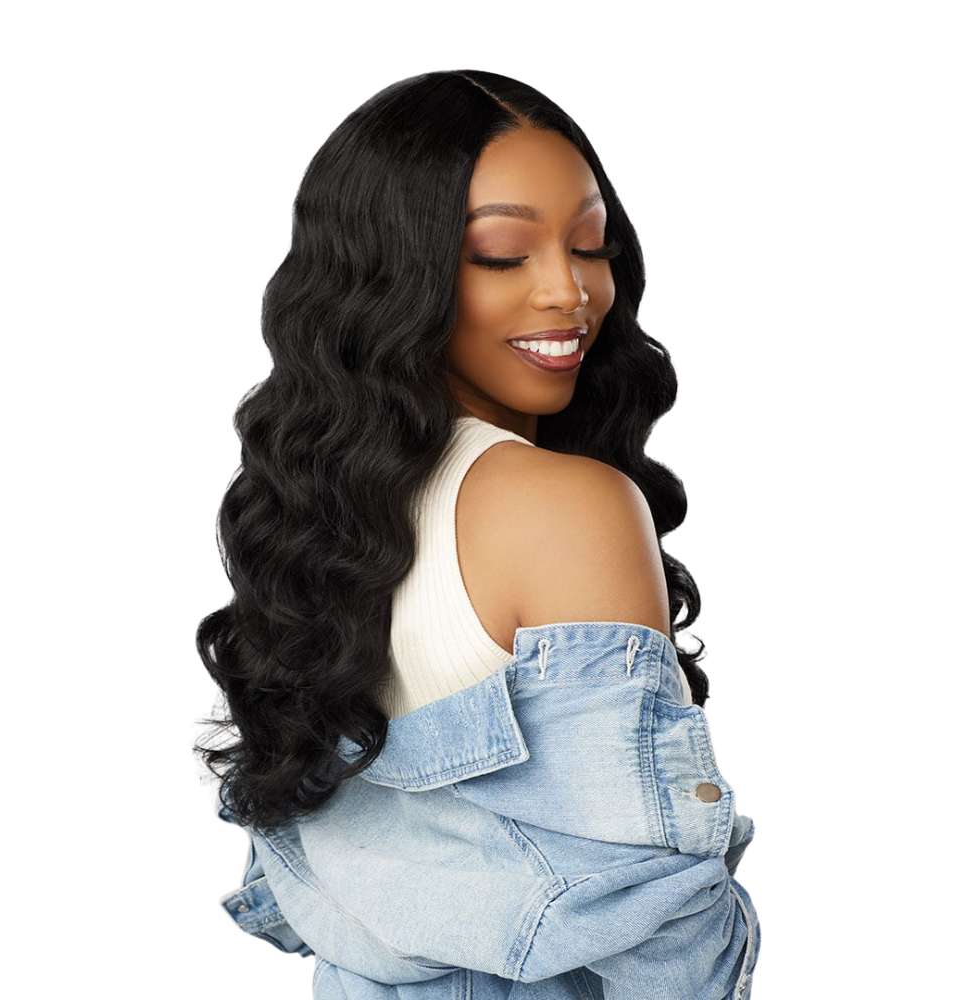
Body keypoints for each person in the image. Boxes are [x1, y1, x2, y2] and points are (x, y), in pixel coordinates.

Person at [198, 69, 761, 999]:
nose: (570, 291)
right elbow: (660, 932)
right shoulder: (566, 505)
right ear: (395, 275)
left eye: (591, 245)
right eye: (503, 255)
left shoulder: (319, 518)